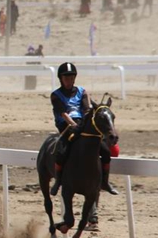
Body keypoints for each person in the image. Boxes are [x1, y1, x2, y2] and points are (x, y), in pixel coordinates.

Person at [49, 62, 118, 197]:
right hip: (66, 126)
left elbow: (86, 110)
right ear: (61, 79)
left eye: (71, 78)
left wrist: (84, 124)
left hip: (82, 124)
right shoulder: (55, 95)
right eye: (66, 78)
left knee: (105, 151)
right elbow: (63, 113)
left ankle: (105, 182)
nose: (69, 81)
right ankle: (58, 182)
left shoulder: (82, 92)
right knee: (62, 151)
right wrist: (73, 125)